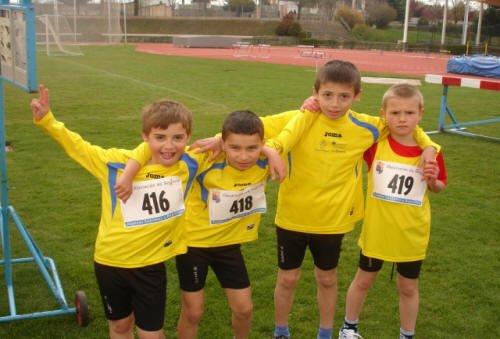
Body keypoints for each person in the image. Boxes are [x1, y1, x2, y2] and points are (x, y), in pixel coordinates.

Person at [187, 59, 440, 339]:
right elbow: (250, 129)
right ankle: (281, 331)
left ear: (357, 96)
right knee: (288, 278)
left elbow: (404, 123)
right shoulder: (297, 118)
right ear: (315, 92)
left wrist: (428, 147)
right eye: (327, 95)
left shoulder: (366, 127)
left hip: (332, 221)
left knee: (327, 279)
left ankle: (325, 333)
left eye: (344, 96)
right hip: (292, 217)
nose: (334, 103)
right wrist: (217, 140)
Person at [31, 85, 204, 339]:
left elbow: (236, 143)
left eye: (178, 138)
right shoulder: (114, 164)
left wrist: (223, 141)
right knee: (120, 327)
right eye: (160, 137)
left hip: (151, 266)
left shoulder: (190, 162)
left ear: (188, 137)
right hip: (110, 263)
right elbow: (78, 146)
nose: (169, 146)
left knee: (151, 334)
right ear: (145, 136)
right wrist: (47, 120)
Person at [118, 110, 285, 339]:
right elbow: (159, 148)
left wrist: (270, 151)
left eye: (251, 148)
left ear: (261, 144)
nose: (244, 157)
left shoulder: (263, 156)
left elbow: (292, 126)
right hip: (194, 246)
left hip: (229, 245)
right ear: (224, 144)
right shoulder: (205, 157)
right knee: (194, 312)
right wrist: (128, 174)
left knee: (245, 309)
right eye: (234, 148)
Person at [337, 84, 447, 339]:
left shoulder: (431, 151)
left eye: (409, 113)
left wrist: (433, 180)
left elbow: (439, 187)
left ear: (420, 114)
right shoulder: (375, 145)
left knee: (408, 287)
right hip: (378, 231)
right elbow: (345, 123)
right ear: (384, 114)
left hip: (412, 232)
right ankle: (349, 327)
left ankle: (407, 334)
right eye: (395, 112)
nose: (402, 119)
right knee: (363, 281)